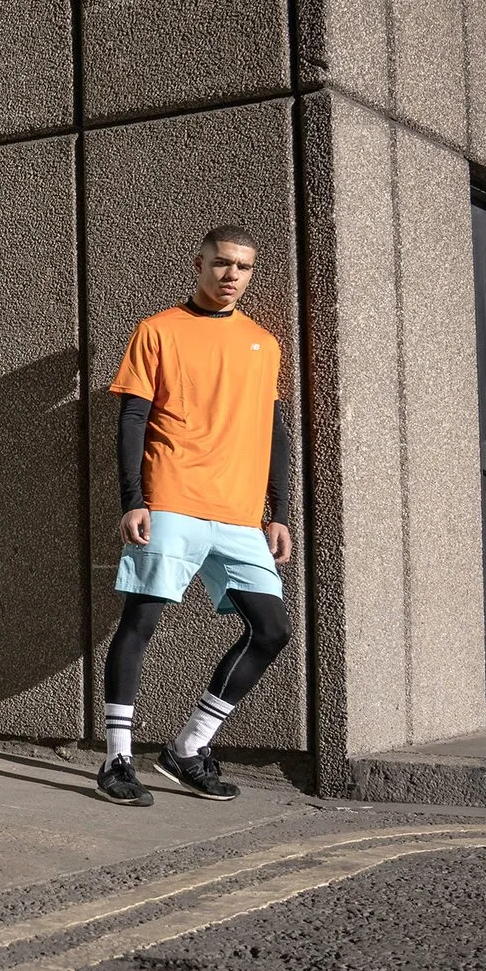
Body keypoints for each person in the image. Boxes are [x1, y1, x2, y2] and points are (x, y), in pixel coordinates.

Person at [95, 225, 296, 806]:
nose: (232, 276)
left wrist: (277, 510)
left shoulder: (263, 343)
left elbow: (273, 430)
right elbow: (132, 418)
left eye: (244, 267)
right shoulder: (158, 330)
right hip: (173, 498)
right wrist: (134, 499)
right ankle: (117, 760)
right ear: (200, 264)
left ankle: (188, 748)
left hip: (238, 513)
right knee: (142, 621)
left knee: (272, 630)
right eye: (222, 264)